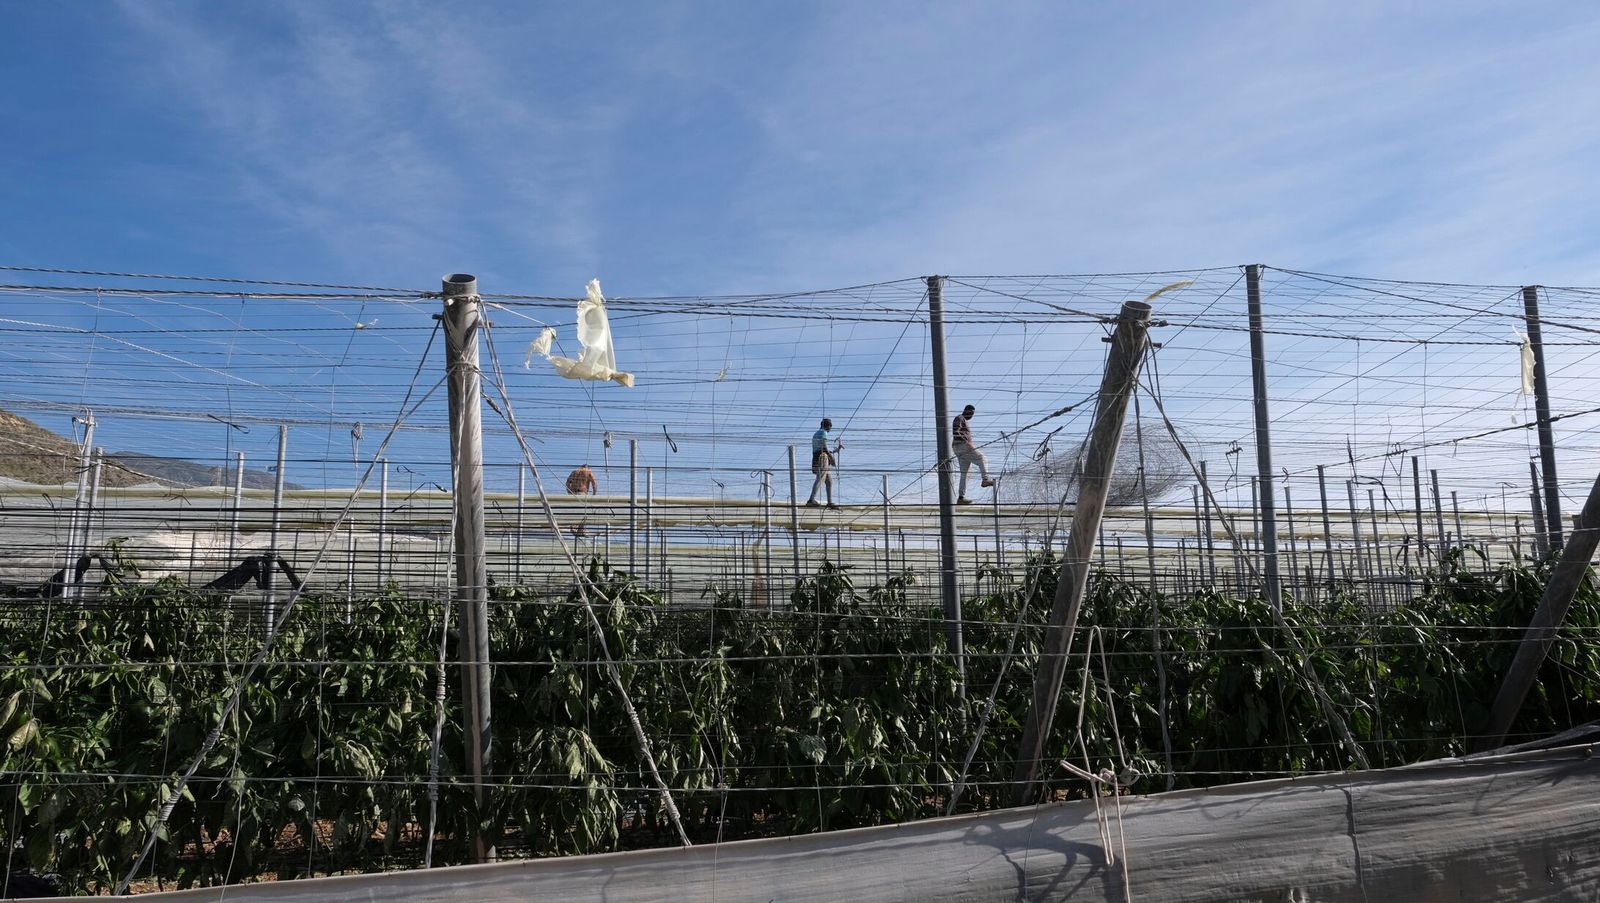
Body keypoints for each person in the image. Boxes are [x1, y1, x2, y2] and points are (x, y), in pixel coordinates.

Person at [952, 404, 994, 505]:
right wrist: (965, 442)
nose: (971, 415)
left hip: (958, 447)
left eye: (973, 414)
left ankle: (961, 497)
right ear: (966, 410)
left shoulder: (963, 420)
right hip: (962, 446)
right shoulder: (960, 418)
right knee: (982, 458)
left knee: (964, 474)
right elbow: (955, 431)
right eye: (970, 413)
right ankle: (985, 479)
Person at [805, 418, 840, 509]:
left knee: (829, 481)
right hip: (822, 457)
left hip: (817, 456)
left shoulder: (817, 433)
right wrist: (831, 457)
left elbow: (821, 447)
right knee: (821, 477)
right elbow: (824, 447)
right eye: (830, 426)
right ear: (826, 426)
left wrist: (833, 452)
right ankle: (811, 499)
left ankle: (829, 502)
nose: (830, 429)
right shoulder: (823, 432)